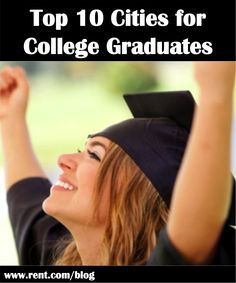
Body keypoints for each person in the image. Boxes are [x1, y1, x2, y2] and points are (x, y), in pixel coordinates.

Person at [0, 62, 235, 266]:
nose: (63, 160)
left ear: (136, 200)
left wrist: (215, 89)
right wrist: (9, 116)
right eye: (83, 150)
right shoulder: (63, 257)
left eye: (94, 156)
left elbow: (192, 233)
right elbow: (26, 200)